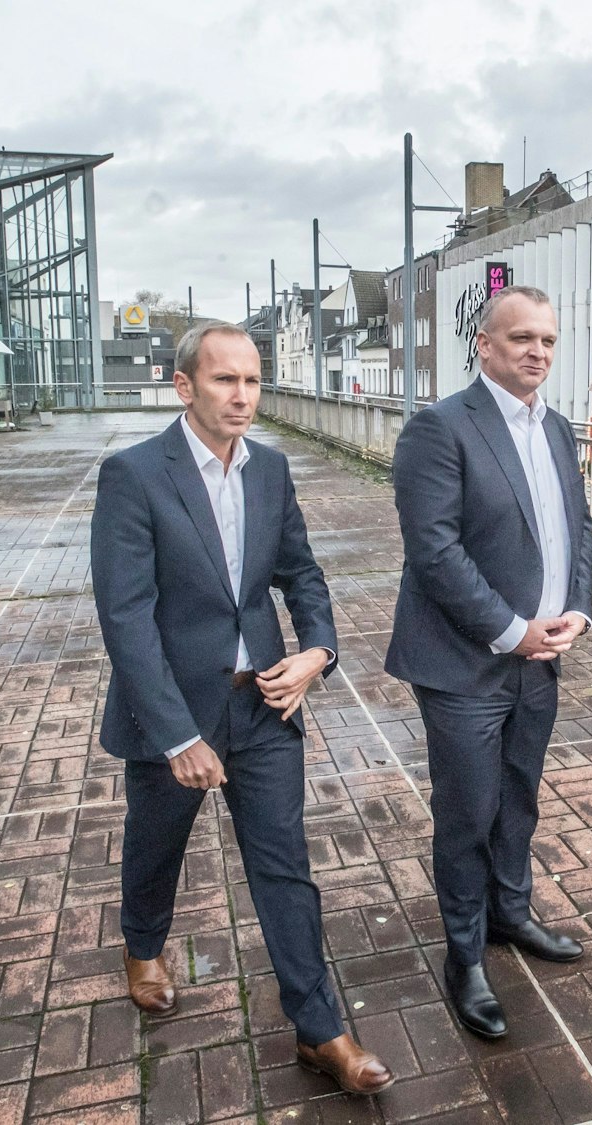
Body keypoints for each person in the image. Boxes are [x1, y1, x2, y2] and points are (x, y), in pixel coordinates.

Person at [89, 322, 392, 1096]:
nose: (243, 396)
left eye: (252, 380)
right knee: (157, 844)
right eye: (225, 380)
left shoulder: (271, 469)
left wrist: (318, 651)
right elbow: (126, 616)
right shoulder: (134, 475)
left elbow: (302, 573)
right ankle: (143, 943)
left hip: (262, 704)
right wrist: (177, 735)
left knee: (285, 865)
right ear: (184, 385)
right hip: (173, 714)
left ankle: (320, 1029)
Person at [385, 285, 592, 1040]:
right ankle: (465, 953)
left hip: (541, 658)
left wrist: (578, 605)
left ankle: (512, 914)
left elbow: (578, 527)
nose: (537, 351)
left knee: (518, 796)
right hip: (464, 663)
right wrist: (513, 630)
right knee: (468, 811)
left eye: (547, 339)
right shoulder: (439, 429)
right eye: (521, 339)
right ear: (484, 345)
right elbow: (434, 551)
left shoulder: (560, 429)